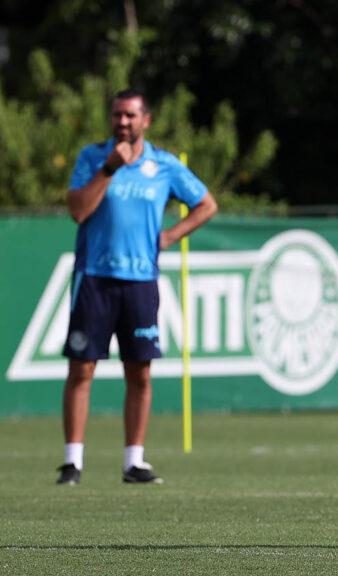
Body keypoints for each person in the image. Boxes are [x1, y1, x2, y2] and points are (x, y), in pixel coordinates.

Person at [56, 89, 218, 486]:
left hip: (140, 281)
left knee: (140, 372)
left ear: (146, 119)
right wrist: (109, 169)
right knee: (82, 367)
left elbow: (207, 204)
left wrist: (169, 236)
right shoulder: (93, 158)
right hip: (94, 276)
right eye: (116, 115)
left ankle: (134, 461)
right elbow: (78, 211)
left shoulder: (163, 165)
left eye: (130, 116)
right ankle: (73, 462)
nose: (122, 122)